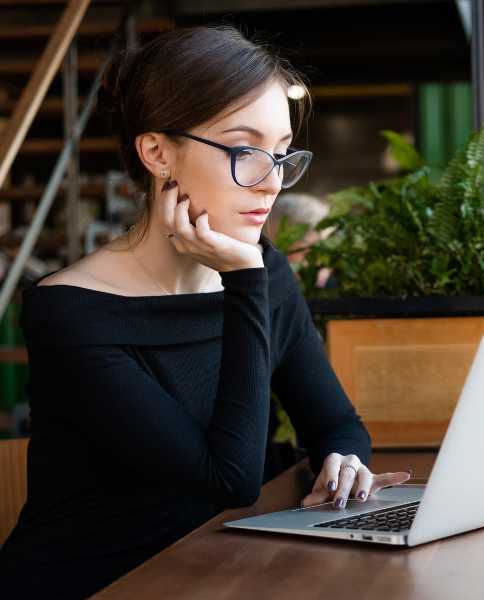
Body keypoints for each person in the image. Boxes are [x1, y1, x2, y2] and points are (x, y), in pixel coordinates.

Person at [0, 25, 409, 599]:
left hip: (218, 573)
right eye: (245, 152)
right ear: (157, 153)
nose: (270, 183)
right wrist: (243, 281)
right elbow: (229, 478)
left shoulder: (265, 270)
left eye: (281, 155)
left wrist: (343, 463)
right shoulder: (70, 310)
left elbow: (337, 423)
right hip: (94, 585)